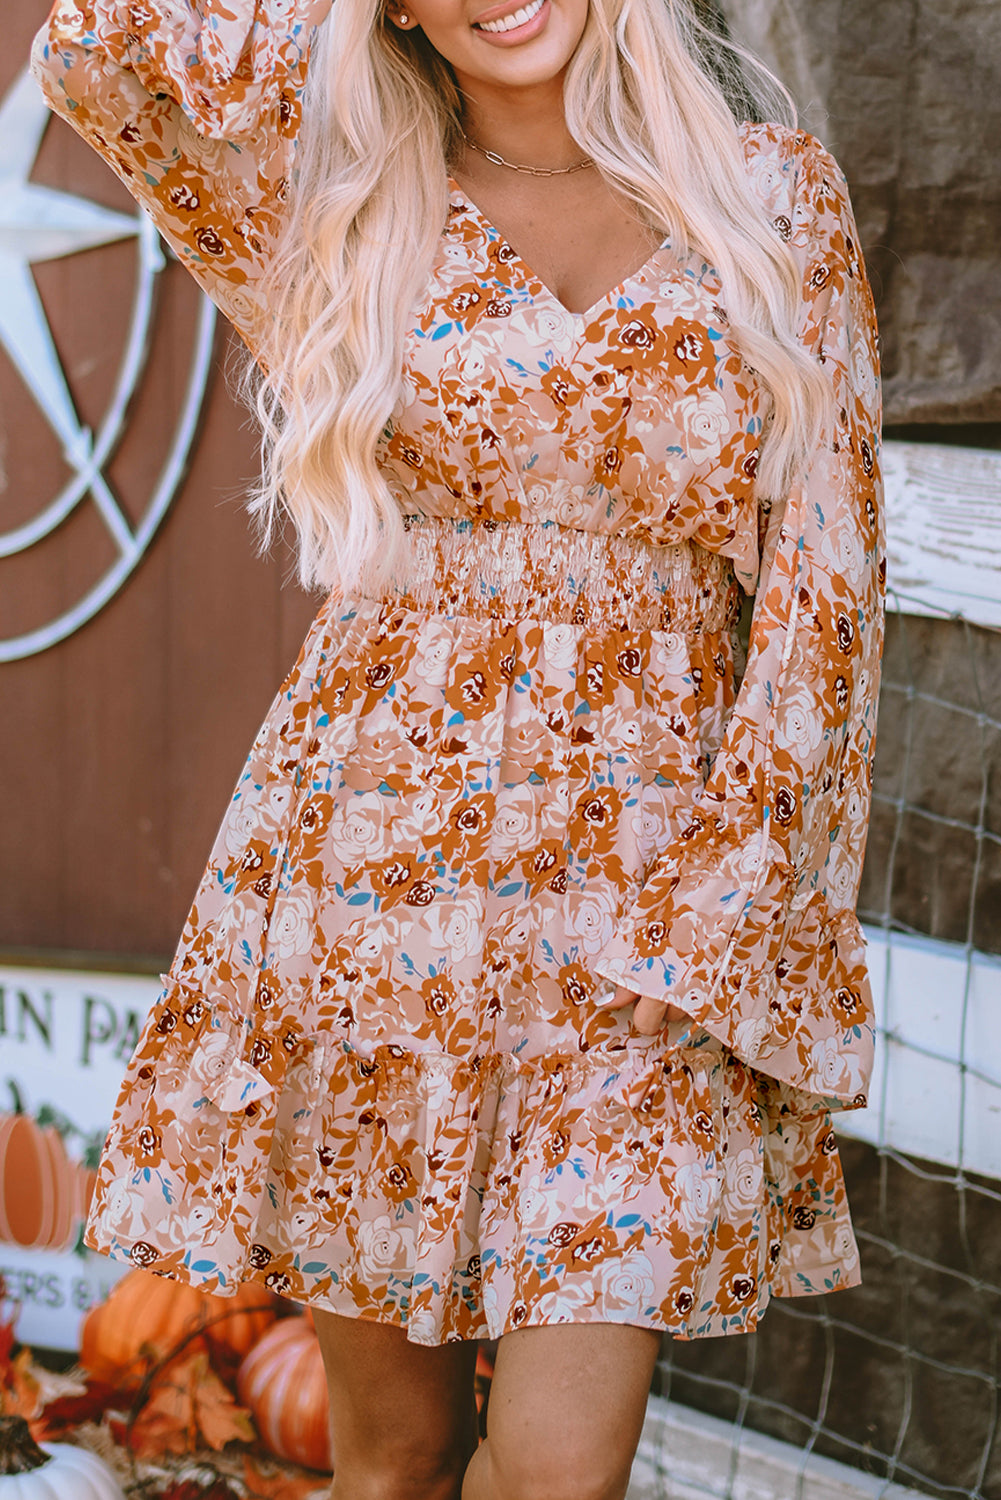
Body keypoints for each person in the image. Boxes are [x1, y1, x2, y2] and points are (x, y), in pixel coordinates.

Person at [33, 0, 884, 1493]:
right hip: (377, 895)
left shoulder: (772, 201)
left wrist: (752, 900)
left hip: (653, 910)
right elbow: (103, 42)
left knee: (559, 1468)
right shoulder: (328, 201)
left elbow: (828, 590)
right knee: (398, 1457)